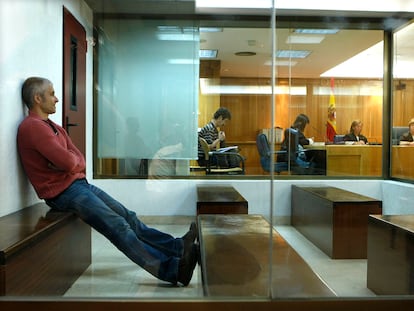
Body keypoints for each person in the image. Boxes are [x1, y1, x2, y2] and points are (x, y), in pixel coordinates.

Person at [17, 77, 198, 287]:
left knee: (128, 217)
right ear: (37, 98)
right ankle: (173, 270)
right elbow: (69, 162)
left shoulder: (53, 126)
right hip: (62, 193)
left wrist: (71, 163)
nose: (56, 99)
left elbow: (78, 159)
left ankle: (178, 248)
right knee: (119, 226)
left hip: (78, 184)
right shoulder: (33, 127)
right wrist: (70, 163)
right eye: (51, 94)